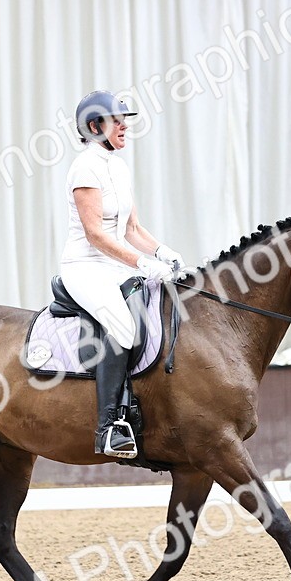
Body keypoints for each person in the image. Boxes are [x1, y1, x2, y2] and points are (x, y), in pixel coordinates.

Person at [60, 90, 187, 459]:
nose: (124, 126)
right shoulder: (85, 167)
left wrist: (162, 251)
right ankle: (108, 427)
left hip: (117, 263)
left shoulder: (119, 166)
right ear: (95, 126)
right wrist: (141, 264)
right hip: (84, 267)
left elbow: (131, 228)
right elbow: (96, 235)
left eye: (124, 120)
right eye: (117, 121)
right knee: (124, 328)